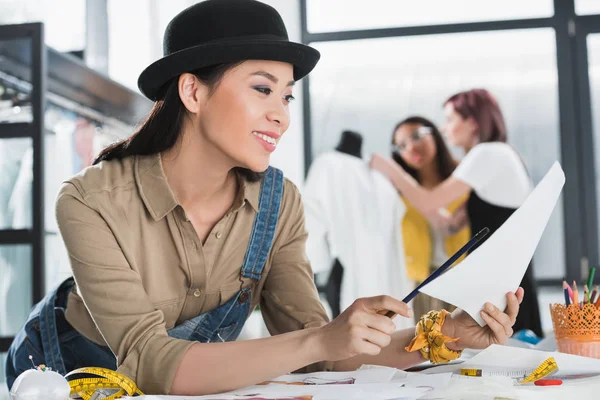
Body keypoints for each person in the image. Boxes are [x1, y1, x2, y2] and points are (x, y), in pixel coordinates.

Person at [6, 2, 524, 396]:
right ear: (192, 92)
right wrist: (320, 341)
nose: (282, 115)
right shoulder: (91, 199)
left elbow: (323, 346)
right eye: (262, 88)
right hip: (59, 375)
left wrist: (448, 336)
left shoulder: (278, 204)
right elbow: (147, 361)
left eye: (287, 95)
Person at [371, 88, 543, 338]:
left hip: (503, 283)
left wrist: (390, 169)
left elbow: (429, 202)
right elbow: (450, 224)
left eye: (450, 119)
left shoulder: (487, 153)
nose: (444, 128)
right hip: (504, 280)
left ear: (472, 122)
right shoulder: (500, 154)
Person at [390, 116, 471, 322]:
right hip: (423, 281)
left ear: (434, 134)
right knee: (427, 347)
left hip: (463, 277)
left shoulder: (465, 178)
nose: (411, 148)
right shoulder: (400, 193)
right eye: (401, 145)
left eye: (416, 136)